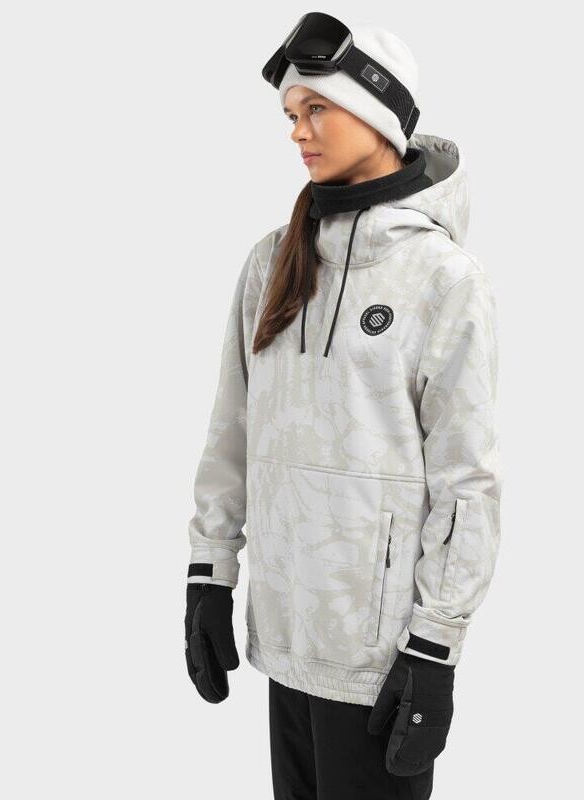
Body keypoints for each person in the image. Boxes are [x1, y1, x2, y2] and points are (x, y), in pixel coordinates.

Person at [184, 15, 502, 800]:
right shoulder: (273, 261)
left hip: (381, 664)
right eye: (291, 115)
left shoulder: (443, 279)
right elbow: (232, 431)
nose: (298, 132)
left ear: (378, 113)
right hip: (286, 644)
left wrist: (435, 650)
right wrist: (209, 575)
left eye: (316, 109)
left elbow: (467, 484)